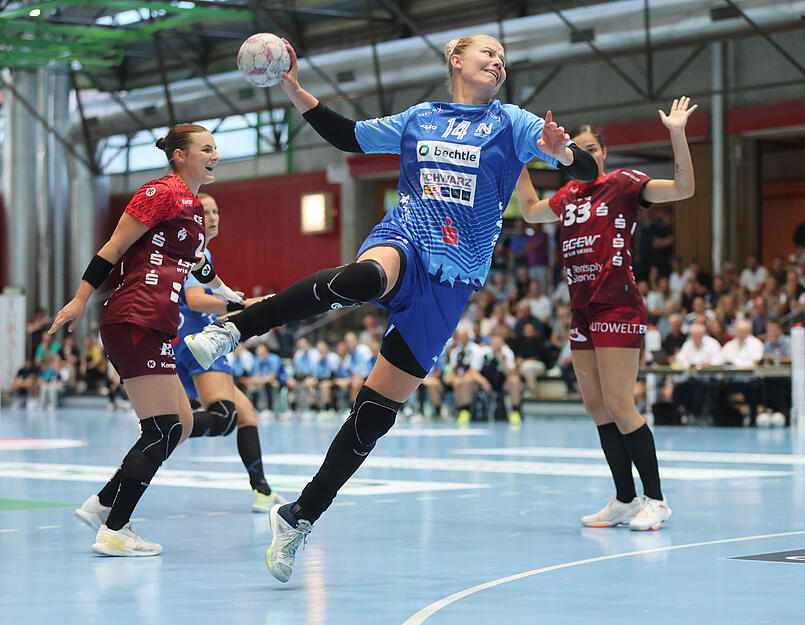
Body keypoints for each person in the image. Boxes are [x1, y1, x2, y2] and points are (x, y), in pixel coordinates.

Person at [185, 33, 597, 581]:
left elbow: (587, 173)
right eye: (487, 54)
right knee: (366, 277)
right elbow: (349, 137)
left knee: (374, 415)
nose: (498, 63)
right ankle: (237, 327)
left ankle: (300, 514)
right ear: (456, 60)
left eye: (503, 58)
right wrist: (294, 88)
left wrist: (564, 152)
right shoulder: (419, 118)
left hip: (453, 278)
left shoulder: (514, 124)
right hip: (408, 234)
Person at [49, 124, 243, 556]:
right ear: (179, 155)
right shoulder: (160, 192)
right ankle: (115, 529)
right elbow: (113, 247)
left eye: (216, 149)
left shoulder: (192, 207)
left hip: (157, 321)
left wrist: (227, 293)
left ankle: (102, 503)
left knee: (184, 424)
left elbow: (198, 265)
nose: (214, 156)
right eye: (205, 149)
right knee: (161, 429)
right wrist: (81, 299)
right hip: (134, 315)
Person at [515, 96, 698, 530]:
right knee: (597, 406)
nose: (585, 154)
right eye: (577, 149)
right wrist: (516, 158)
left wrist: (677, 134)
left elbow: (683, 189)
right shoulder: (567, 194)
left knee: (620, 403)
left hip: (616, 302)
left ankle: (656, 499)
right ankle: (624, 499)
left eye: (592, 148)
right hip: (581, 310)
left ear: (604, 153)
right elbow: (529, 209)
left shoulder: (622, 183)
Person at [173, 192, 286, 512]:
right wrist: (245, 303)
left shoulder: (197, 253)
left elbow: (203, 306)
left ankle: (262, 492)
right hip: (198, 342)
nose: (213, 217)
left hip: (191, 338)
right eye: (205, 212)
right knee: (225, 415)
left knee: (246, 414)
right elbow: (195, 301)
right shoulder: (198, 253)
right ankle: (164, 429)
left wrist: (248, 316)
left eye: (216, 211)